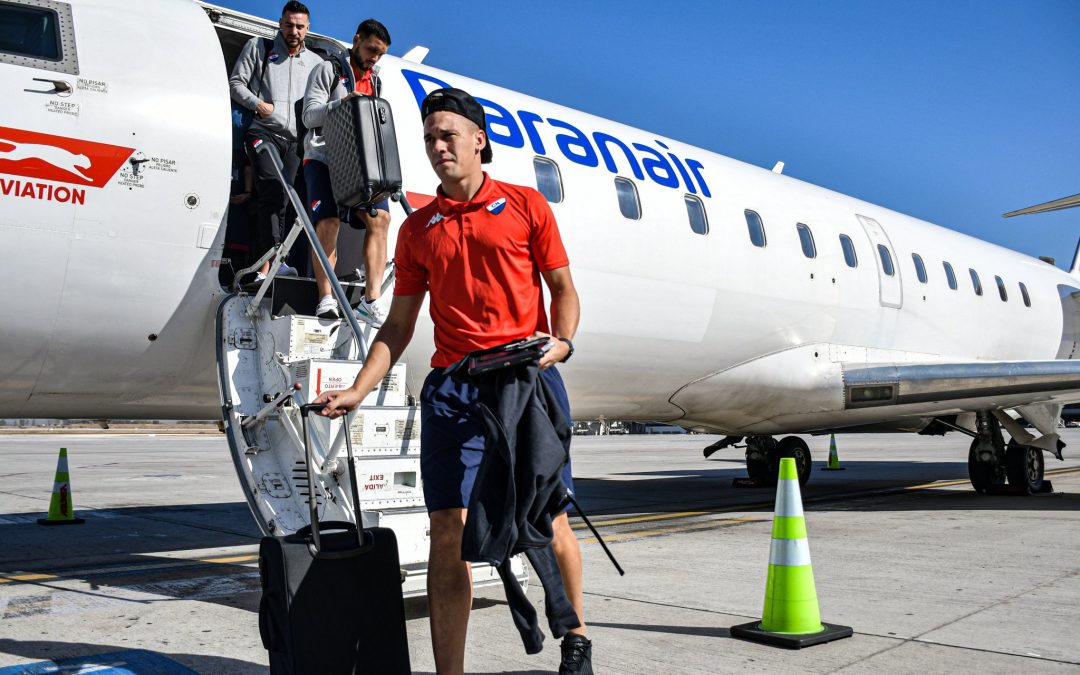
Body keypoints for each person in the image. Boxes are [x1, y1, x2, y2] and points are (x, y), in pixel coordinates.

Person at [314, 88, 592, 674]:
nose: (437, 147)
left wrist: (561, 343)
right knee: (447, 529)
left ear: (478, 140)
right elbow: (397, 323)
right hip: (456, 392)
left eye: (447, 136)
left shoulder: (525, 206)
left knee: (550, 516)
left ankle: (577, 641)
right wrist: (360, 389)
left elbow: (563, 290)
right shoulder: (419, 230)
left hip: (526, 381)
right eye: (429, 139)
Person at [301, 19, 392, 325]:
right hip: (324, 156)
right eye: (371, 49)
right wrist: (342, 104)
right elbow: (309, 115)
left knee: (381, 219)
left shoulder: (377, 81)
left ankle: (371, 299)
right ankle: (326, 297)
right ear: (356, 39)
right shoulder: (328, 70)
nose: (374, 58)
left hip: (358, 163)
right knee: (327, 223)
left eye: (380, 54)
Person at [228, 1, 320, 280]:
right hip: (263, 131)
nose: (294, 31)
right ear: (280, 24)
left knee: (282, 199)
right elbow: (235, 84)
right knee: (271, 190)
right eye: (289, 25)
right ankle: (265, 266)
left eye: (300, 26)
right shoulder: (260, 48)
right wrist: (258, 104)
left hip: (293, 140)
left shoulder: (316, 63)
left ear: (308, 28)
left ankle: (272, 263)